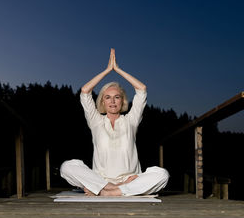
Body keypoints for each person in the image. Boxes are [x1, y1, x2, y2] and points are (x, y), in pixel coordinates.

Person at [60, 49, 169, 196]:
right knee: (66, 167)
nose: (112, 101)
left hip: (130, 179)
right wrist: (107, 70)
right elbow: (85, 91)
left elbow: (142, 89)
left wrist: (117, 70)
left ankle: (109, 192)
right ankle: (111, 188)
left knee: (162, 174)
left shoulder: (131, 120)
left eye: (117, 97)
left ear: (122, 101)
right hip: (100, 179)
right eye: (107, 97)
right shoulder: (96, 121)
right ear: (102, 102)